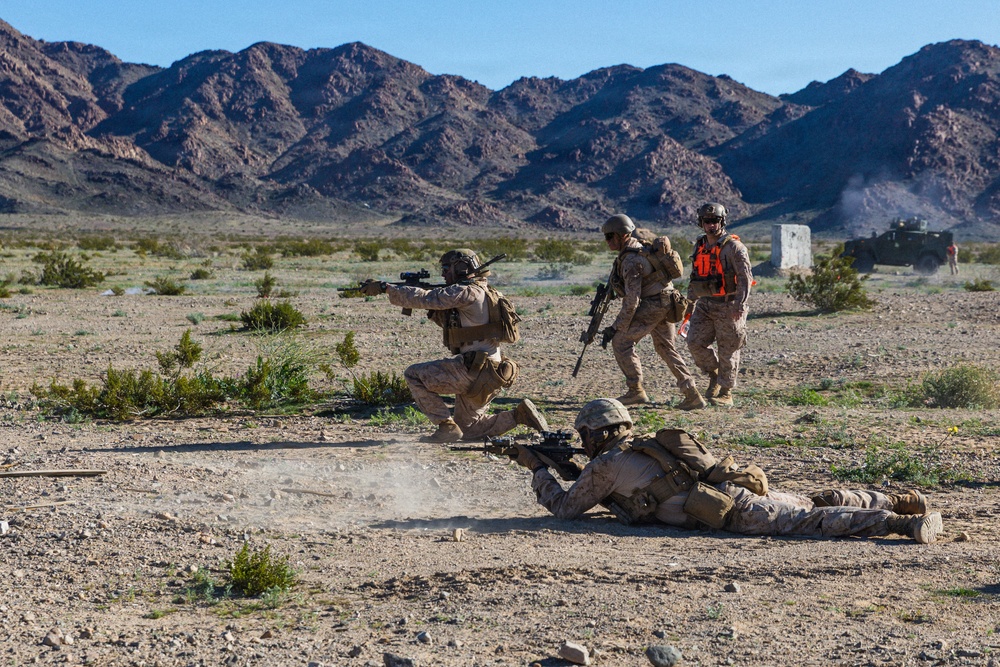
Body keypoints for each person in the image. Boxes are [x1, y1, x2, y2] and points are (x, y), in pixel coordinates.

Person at [512, 398, 944, 544]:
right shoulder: (638, 447)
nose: (582, 443)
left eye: (584, 435)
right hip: (729, 492)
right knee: (811, 501)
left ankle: (900, 523)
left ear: (596, 433)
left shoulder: (605, 464)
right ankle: (889, 498)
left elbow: (567, 509)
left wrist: (536, 469)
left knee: (810, 521)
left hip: (728, 511)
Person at [359, 248, 548, 443]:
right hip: (492, 372)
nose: (443, 273)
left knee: (413, 375)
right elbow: (455, 325)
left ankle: (446, 426)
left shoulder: (467, 291)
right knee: (470, 431)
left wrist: (386, 288)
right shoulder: (488, 291)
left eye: (447, 268)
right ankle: (519, 416)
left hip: (472, 369)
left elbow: (427, 299)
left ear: (462, 268)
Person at [598, 214, 706, 410]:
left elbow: (632, 301)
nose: (607, 241)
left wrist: (616, 327)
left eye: (609, 236)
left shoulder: (631, 260)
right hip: (668, 303)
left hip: (653, 305)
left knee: (621, 342)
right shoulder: (641, 249)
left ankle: (635, 391)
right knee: (666, 348)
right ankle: (692, 394)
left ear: (622, 235)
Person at [685, 202, 753, 407]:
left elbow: (745, 278)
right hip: (705, 303)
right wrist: (690, 302)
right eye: (707, 221)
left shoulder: (734, 247)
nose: (711, 225)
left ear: (722, 221)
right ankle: (714, 374)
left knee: (728, 349)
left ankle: (726, 392)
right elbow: (695, 276)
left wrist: (739, 305)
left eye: (715, 221)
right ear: (701, 223)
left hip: (729, 304)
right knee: (694, 343)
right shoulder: (700, 245)